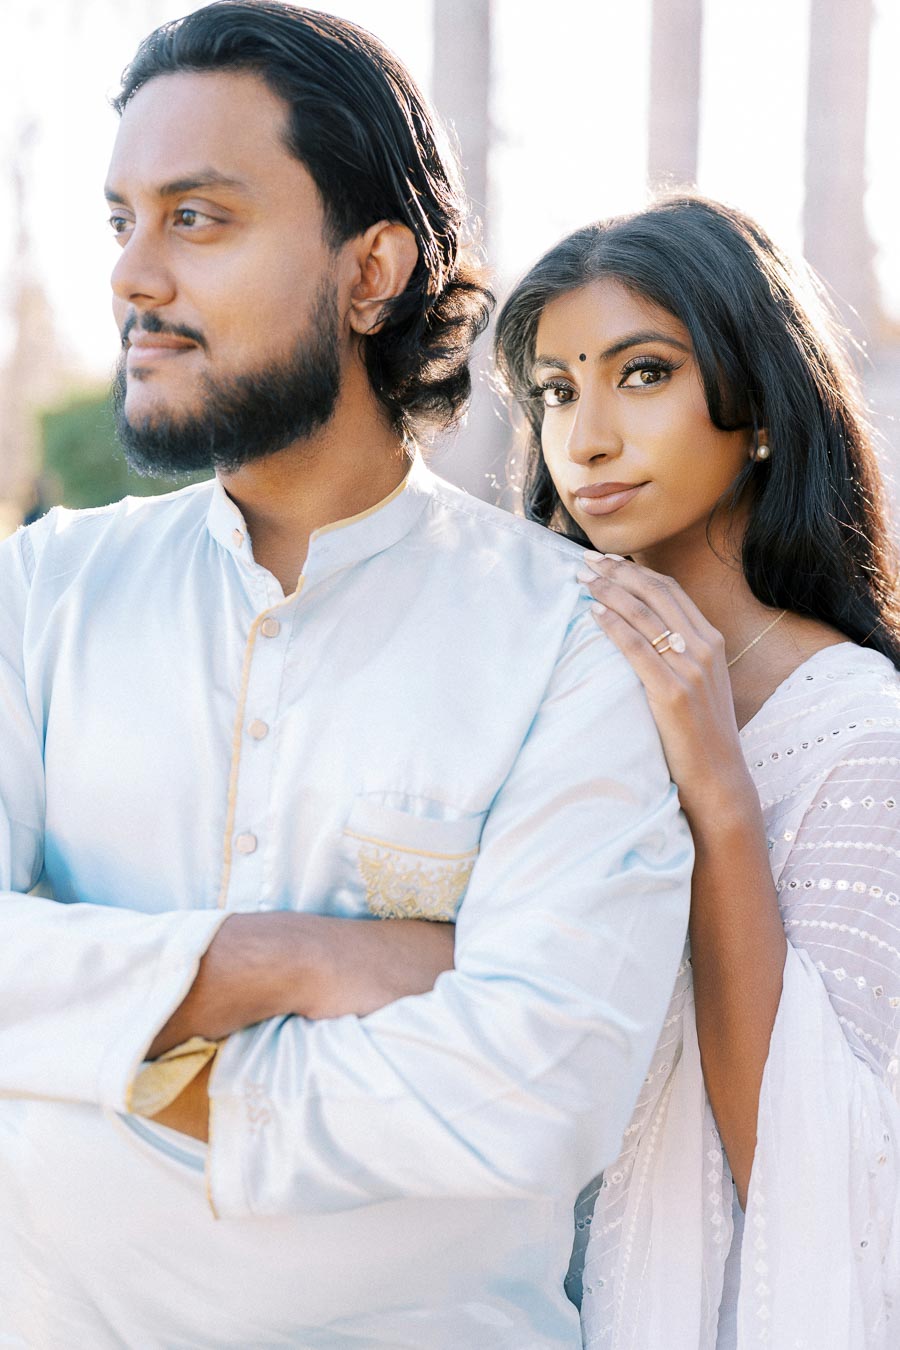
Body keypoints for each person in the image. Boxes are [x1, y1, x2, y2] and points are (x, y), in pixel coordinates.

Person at [0, 6, 693, 1346]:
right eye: (121, 222)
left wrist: (94, 1055)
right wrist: (294, 958)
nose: (136, 276)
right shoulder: (43, 591)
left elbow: (541, 1083)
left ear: (372, 269)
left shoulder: (572, 639)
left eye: (198, 219)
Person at [492, 194, 900, 1348]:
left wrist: (719, 792)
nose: (588, 438)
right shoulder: (542, 688)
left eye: (644, 374)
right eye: (558, 392)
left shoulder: (859, 737)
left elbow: (811, 1165)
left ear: (759, 410)